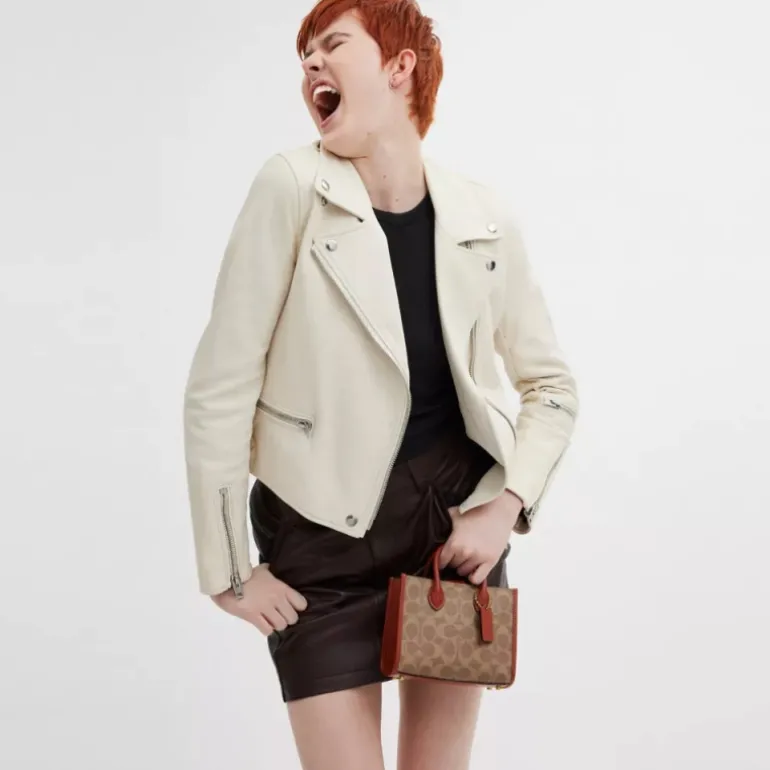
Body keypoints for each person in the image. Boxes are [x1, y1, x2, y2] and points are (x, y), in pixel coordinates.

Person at [182, 1, 579, 768]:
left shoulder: (483, 215)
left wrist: (504, 509)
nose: (311, 64)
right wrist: (228, 571)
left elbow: (551, 387)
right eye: (304, 55)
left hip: (450, 538)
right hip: (318, 545)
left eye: (333, 43)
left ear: (400, 67)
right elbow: (220, 388)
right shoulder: (291, 186)